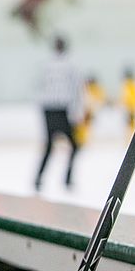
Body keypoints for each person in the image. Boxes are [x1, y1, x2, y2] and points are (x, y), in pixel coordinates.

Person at [34, 35, 85, 191]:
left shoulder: (45, 64)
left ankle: (38, 178)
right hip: (62, 109)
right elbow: (77, 90)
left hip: (48, 109)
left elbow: (38, 87)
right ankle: (67, 179)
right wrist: (76, 113)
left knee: (49, 145)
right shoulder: (71, 65)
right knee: (75, 146)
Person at [73, 74, 106, 146]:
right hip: (87, 110)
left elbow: (95, 101)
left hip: (88, 110)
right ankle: (82, 140)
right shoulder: (93, 89)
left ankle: (82, 140)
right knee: (83, 126)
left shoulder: (92, 89)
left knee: (84, 126)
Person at [120, 66, 135, 136]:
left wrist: (128, 106)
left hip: (131, 108)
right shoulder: (134, 84)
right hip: (133, 107)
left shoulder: (129, 85)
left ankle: (134, 138)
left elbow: (127, 97)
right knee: (132, 125)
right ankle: (134, 137)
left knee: (132, 125)